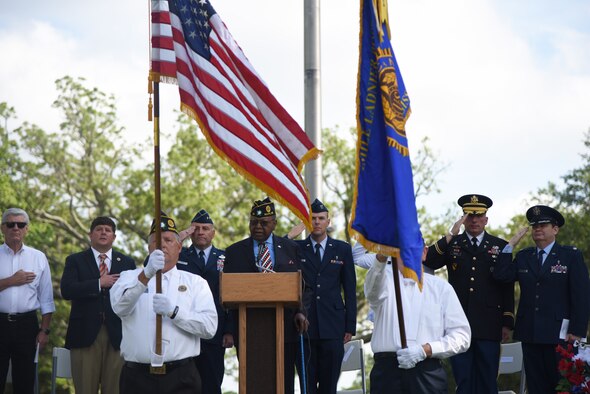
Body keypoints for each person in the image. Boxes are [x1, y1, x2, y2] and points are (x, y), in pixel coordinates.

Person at [111, 213, 217, 394]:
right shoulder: (128, 277)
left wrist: (175, 312)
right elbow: (120, 307)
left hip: (181, 377)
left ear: (179, 246)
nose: (162, 245)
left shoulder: (196, 282)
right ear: (148, 248)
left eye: (168, 240)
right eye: (155, 241)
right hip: (137, 378)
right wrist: (146, 275)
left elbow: (209, 328)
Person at [493, 205, 590, 394]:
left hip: (560, 336)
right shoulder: (524, 256)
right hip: (530, 334)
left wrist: (577, 331)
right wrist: (509, 245)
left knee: (562, 387)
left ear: (555, 229)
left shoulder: (570, 256)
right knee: (536, 388)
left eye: (543, 225)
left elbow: (582, 296)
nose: (538, 229)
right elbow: (501, 275)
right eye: (535, 226)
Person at [423, 194, 514, 394]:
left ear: (486, 219)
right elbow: (428, 260)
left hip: (489, 324)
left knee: (488, 380)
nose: (474, 221)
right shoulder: (453, 243)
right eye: (469, 216)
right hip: (458, 323)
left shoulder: (499, 246)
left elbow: (507, 285)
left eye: (479, 216)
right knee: (463, 380)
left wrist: (507, 321)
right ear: (463, 218)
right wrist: (450, 234)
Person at [223, 197, 308, 394]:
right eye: (254, 222)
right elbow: (226, 291)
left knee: (284, 384)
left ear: (274, 224)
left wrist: (301, 312)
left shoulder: (291, 248)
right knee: (253, 384)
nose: (258, 227)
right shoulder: (234, 252)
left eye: (264, 223)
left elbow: (304, 286)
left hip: (285, 328)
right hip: (248, 330)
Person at [365, 244, 471, 394]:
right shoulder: (384, 282)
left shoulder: (441, 288)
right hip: (387, 372)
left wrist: (426, 350)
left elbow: (462, 337)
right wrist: (381, 256)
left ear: (424, 252)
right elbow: (372, 291)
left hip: (427, 372)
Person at [60, 216, 136, 394]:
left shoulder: (127, 263)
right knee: (85, 389)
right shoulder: (75, 260)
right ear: (90, 234)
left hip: (117, 336)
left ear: (114, 237)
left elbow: (134, 296)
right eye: (99, 229)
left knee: (115, 389)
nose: (103, 232)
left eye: (108, 230)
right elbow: (67, 290)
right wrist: (98, 283)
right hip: (84, 335)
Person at [288, 198, 356, 394]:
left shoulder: (342, 249)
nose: (317, 222)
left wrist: (350, 325)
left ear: (328, 222)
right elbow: (277, 252)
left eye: (321, 218)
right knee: (306, 386)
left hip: (333, 326)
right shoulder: (296, 248)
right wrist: (290, 235)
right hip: (304, 326)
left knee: (329, 386)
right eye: (313, 218)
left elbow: (349, 289)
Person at [0, 208, 55, 394]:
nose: (16, 228)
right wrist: (11, 281)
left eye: (21, 224)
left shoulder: (38, 257)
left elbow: (47, 298)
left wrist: (44, 330)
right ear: (2, 228)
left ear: (27, 229)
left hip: (27, 325)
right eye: (10, 224)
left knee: (25, 382)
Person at [178, 209, 231, 394]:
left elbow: (232, 296)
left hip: (214, 332)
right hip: (183, 329)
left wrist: (230, 330)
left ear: (213, 233)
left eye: (205, 228)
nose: (200, 232)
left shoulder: (226, 258)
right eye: (196, 228)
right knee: (183, 385)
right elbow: (151, 262)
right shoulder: (179, 255)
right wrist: (179, 238)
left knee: (212, 383)